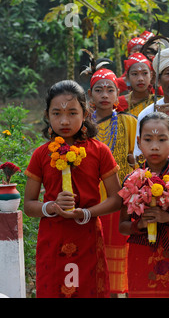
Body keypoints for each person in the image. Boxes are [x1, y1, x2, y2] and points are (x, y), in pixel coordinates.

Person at [23, 80, 122, 298]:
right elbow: (29, 205)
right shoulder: (41, 154)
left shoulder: (99, 151)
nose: (64, 120)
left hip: (87, 234)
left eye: (72, 113)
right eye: (57, 113)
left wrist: (87, 213)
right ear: (47, 115)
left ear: (86, 114)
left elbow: (117, 199)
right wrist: (50, 207)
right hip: (52, 236)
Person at [119, 112, 169, 297]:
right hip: (141, 252)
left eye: (162, 140)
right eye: (148, 139)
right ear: (139, 142)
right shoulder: (131, 180)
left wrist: (168, 218)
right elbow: (122, 226)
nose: (154, 147)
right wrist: (140, 224)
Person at [88, 67, 137, 296]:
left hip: (121, 199)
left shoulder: (129, 123)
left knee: (124, 253)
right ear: (91, 96)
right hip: (91, 199)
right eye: (99, 90)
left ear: (118, 96)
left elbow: (140, 157)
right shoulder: (83, 126)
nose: (104, 95)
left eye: (110, 90)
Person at [117, 53, 154, 117]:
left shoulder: (158, 101)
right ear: (127, 78)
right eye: (134, 74)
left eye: (145, 73)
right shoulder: (119, 104)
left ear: (151, 75)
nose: (140, 79)